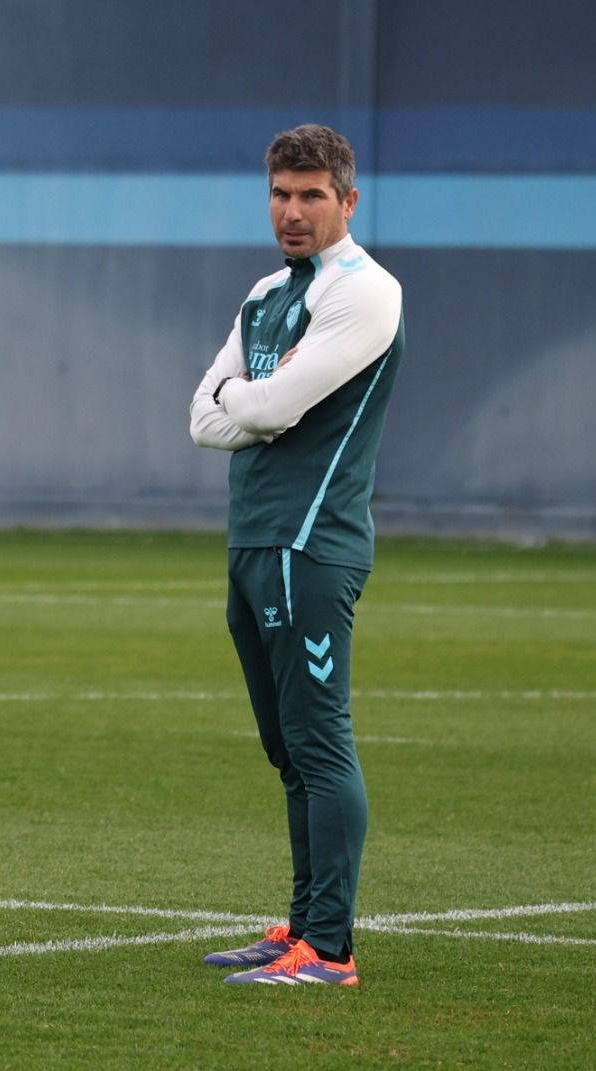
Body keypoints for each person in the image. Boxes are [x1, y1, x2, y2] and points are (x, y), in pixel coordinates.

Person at [188, 124, 405, 986]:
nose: (293, 210)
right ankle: (303, 926)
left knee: (319, 742)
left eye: (312, 195)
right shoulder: (266, 292)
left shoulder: (366, 291)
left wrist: (245, 399)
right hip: (253, 541)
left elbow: (266, 407)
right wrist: (249, 401)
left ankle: (333, 948)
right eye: (281, 192)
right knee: (286, 749)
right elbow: (201, 420)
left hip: (312, 544)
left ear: (347, 202)